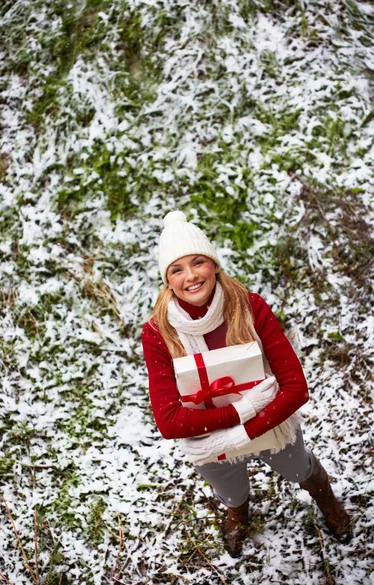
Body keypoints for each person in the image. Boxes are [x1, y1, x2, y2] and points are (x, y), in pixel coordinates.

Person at [142, 210, 351, 557]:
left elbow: (295, 388)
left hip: (273, 418)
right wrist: (240, 413)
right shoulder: (158, 332)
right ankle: (238, 512)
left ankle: (325, 498)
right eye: (177, 269)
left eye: (198, 262)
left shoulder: (249, 306)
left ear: (214, 265)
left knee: (298, 467)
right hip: (208, 438)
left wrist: (250, 425)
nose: (191, 276)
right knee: (230, 488)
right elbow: (168, 421)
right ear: (167, 280)